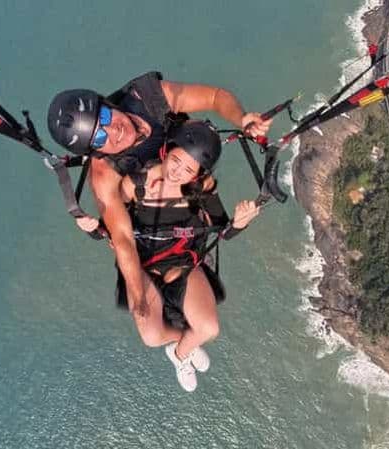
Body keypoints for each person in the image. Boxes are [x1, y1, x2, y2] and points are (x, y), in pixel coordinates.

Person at [47, 72, 272, 327]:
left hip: (181, 151)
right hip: (151, 184)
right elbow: (122, 239)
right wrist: (138, 295)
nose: (114, 130)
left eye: (106, 117)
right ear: (96, 151)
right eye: (100, 138)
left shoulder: (147, 98)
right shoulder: (104, 172)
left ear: (108, 104)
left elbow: (214, 96)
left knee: (199, 174)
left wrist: (241, 119)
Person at [75, 121, 260, 391]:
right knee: (151, 336)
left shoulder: (201, 188)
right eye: (176, 161)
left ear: (198, 174)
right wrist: (94, 230)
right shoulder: (135, 184)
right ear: (166, 151)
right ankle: (184, 342)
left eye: (188, 170)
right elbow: (115, 227)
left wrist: (241, 222)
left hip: (183, 263)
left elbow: (220, 229)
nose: (178, 173)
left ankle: (180, 354)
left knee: (209, 329)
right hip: (143, 266)